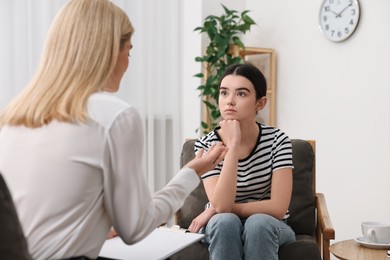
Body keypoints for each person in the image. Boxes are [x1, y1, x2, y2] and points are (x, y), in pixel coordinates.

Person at [0, 0, 227, 259]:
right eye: (128, 51)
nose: (128, 62)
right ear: (108, 50)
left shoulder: (14, 117)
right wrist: (191, 172)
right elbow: (135, 227)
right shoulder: (114, 116)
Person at [188, 63, 295, 260]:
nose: (229, 101)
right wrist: (233, 146)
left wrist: (213, 209)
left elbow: (278, 208)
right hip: (222, 223)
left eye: (241, 94)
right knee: (225, 222)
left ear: (260, 103)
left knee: (258, 224)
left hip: (270, 225)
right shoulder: (207, 144)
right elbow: (222, 207)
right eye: (224, 93)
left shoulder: (278, 140)